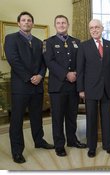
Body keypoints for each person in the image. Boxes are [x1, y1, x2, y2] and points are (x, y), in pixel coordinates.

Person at [4, 11, 54, 164]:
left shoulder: (40, 42)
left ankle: (39, 141)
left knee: (36, 116)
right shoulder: (11, 39)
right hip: (21, 86)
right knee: (17, 120)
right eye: (23, 20)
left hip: (37, 86)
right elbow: (13, 60)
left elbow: (44, 63)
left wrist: (40, 75)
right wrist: (28, 77)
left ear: (32, 23)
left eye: (29, 20)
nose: (26, 22)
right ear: (18, 23)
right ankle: (17, 151)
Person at [43, 15, 87, 157]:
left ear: (68, 24)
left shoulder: (76, 42)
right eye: (58, 23)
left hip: (73, 85)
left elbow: (81, 62)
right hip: (58, 86)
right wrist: (66, 74)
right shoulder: (48, 42)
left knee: (71, 115)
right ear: (55, 25)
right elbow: (49, 61)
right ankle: (59, 145)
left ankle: (72, 140)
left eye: (63, 23)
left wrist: (76, 74)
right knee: (57, 117)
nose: (61, 25)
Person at [76, 19, 110, 158]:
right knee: (91, 119)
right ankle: (91, 147)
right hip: (90, 89)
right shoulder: (84, 46)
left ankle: (107, 145)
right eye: (91, 28)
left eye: (97, 27)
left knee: (106, 118)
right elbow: (80, 69)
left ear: (102, 28)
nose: (94, 30)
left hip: (106, 88)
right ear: (89, 30)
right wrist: (81, 89)